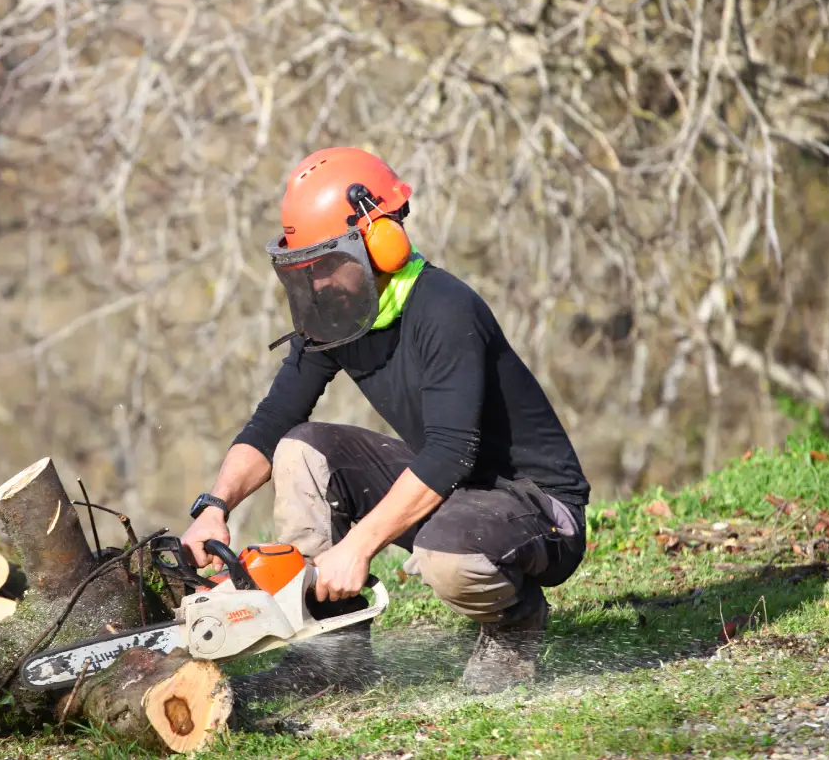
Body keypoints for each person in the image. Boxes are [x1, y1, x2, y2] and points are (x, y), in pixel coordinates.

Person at [180, 147, 590, 695]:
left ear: (379, 239)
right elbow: (273, 420)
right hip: (454, 491)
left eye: (326, 263)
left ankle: (514, 624)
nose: (317, 283)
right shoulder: (339, 318)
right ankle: (333, 654)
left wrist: (358, 546)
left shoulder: (446, 308)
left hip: (539, 506)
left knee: (447, 555)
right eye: (306, 268)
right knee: (301, 449)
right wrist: (215, 507)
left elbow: (450, 452)